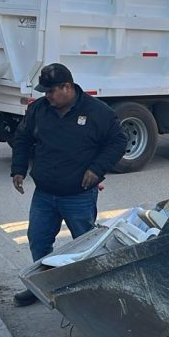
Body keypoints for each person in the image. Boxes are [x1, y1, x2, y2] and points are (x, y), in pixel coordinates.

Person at [10, 63, 127, 306]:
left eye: (51, 91)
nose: (47, 96)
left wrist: (97, 169)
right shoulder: (39, 109)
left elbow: (118, 142)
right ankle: (41, 285)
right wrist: (18, 168)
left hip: (78, 195)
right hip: (44, 193)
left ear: (67, 87)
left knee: (84, 245)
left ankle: (86, 291)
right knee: (38, 240)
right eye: (45, 92)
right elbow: (22, 138)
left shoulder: (97, 112)